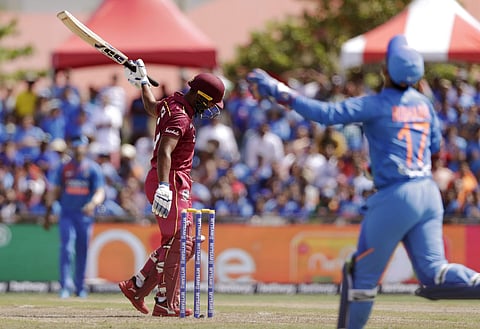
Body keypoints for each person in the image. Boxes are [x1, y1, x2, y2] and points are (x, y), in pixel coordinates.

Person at [246, 34, 480, 329]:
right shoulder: (425, 105)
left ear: (386, 71)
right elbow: (434, 150)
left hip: (396, 196)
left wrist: (277, 89)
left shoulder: (377, 104)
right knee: (435, 272)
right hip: (427, 193)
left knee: (361, 278)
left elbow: (325, 114)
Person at [119, 59, 225, 317]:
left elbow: (150, 106)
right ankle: (165, 303)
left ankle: (137, 287)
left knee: (182, 244)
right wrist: (165, 186)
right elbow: (166, 150)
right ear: (200, 96)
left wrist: (143, 82)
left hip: (172, 180)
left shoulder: (172, 104)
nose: (211, 108)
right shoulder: (179, 114)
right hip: (171, 179)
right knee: (181, 243)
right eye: (210, 102)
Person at [43, 135, 105, 298]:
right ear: (72, 148)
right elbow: (54, 191)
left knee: (82, 250)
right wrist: (48, 213)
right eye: (76, 147)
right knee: (67, 249)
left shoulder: (92, 168)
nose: (78, 150)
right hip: (67, 213)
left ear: (85, 149)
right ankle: (65, 286)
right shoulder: (63, 168)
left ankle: (79, 287)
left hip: (84, 216)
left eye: (81, 147)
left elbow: (100, 191)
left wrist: (92, 204)